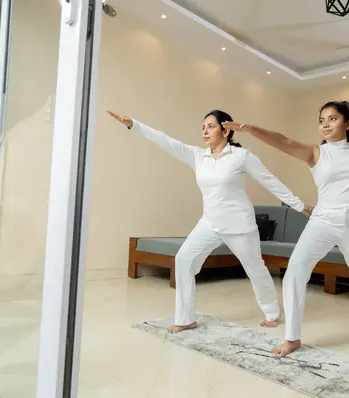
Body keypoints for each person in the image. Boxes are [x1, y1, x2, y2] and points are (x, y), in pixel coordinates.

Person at [222, 100, 349, 356]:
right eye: (321, 120)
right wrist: (251, 129)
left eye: (333, 119)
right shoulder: (316, 152)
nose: (325, 124)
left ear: (347, 123)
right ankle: (292, 337)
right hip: (325, 218)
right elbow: (283, 141)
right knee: (295, 271)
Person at [106, 109, 313, 333]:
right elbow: (166, 141)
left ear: (226, 130)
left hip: (239, 225)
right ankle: (186, 318)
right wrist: (133, 124)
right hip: (210, 222)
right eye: (203, 127)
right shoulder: (198, 156)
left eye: (211, 126)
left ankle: (272, 312)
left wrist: (299, 205)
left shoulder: (241, 157)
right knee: (184, 260)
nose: (205, 131)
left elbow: (270, 181)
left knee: (255, 269)